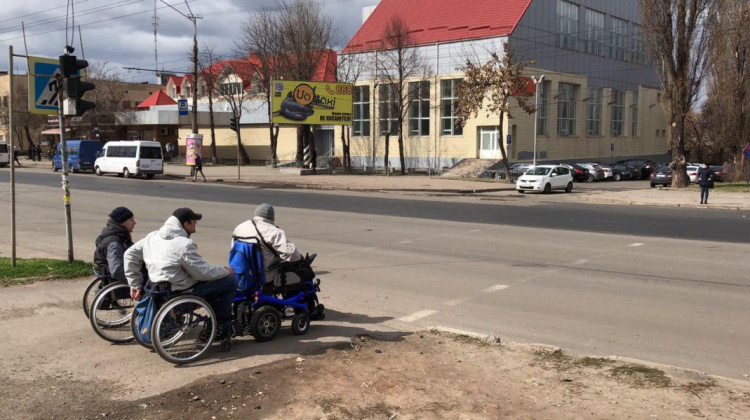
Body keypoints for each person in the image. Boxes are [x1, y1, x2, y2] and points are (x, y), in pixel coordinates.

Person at [124, 208, 237, 339]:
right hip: (181, 291)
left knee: (215, 280)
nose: (196, 224)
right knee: (229, 281)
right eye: (194, 221)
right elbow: (202, 273)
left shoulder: (152, 237)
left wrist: (135, 284)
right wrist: (225, 270)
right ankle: (221, 325)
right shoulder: (184, 244)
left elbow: (129, 254)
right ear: (186, 224)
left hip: (157, 289)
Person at [232, 203, 305, 287]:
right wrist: (300, 259)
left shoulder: (240, 227)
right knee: (300, 274)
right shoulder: (273, 232)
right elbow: (292, 255)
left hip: (241, 273)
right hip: (265, 277)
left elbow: (233, 249)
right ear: (272, 218)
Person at [94, 207, 137, 284]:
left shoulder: (120, 236)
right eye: (131, 220)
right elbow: (117, 270)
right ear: (122, 222)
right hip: (120, 284)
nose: (134, 222)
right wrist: (136, 282)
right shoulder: (114, 243)